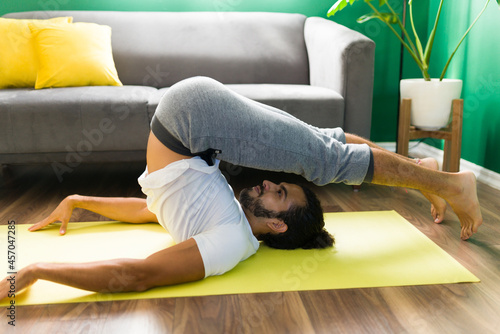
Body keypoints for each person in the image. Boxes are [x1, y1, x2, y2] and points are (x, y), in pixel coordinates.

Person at [0, 77, 482, 299]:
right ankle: (432, 181)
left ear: (275, 224)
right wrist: (73, 206)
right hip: (192, 119)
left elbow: (142, 260)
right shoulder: (227, 220)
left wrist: (41, 267)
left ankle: (442, 182)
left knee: (323, 153)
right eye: (281, 188)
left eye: (279, 196)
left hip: (191, 116)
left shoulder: (229, 240)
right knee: (321, 152)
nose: (271, 184)